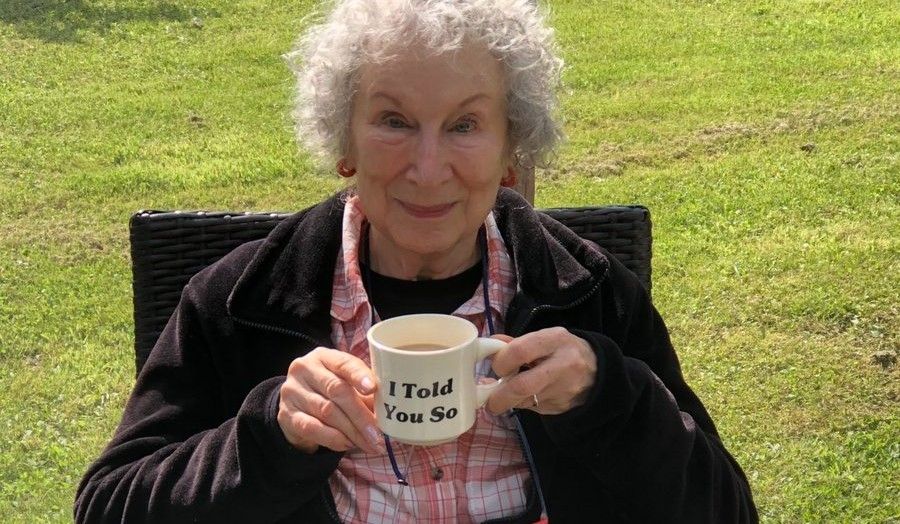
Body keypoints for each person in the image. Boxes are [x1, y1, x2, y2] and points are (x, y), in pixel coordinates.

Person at [75, 0, 757, 522]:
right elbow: (107, 506)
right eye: (394, 121)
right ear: (344, 139)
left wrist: (608, 398)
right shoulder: (237, 303)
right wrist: (270, 438)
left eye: (464, 125)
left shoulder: (590, 295)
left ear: (510, 150)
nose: (427, 171)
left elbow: (727, 510)